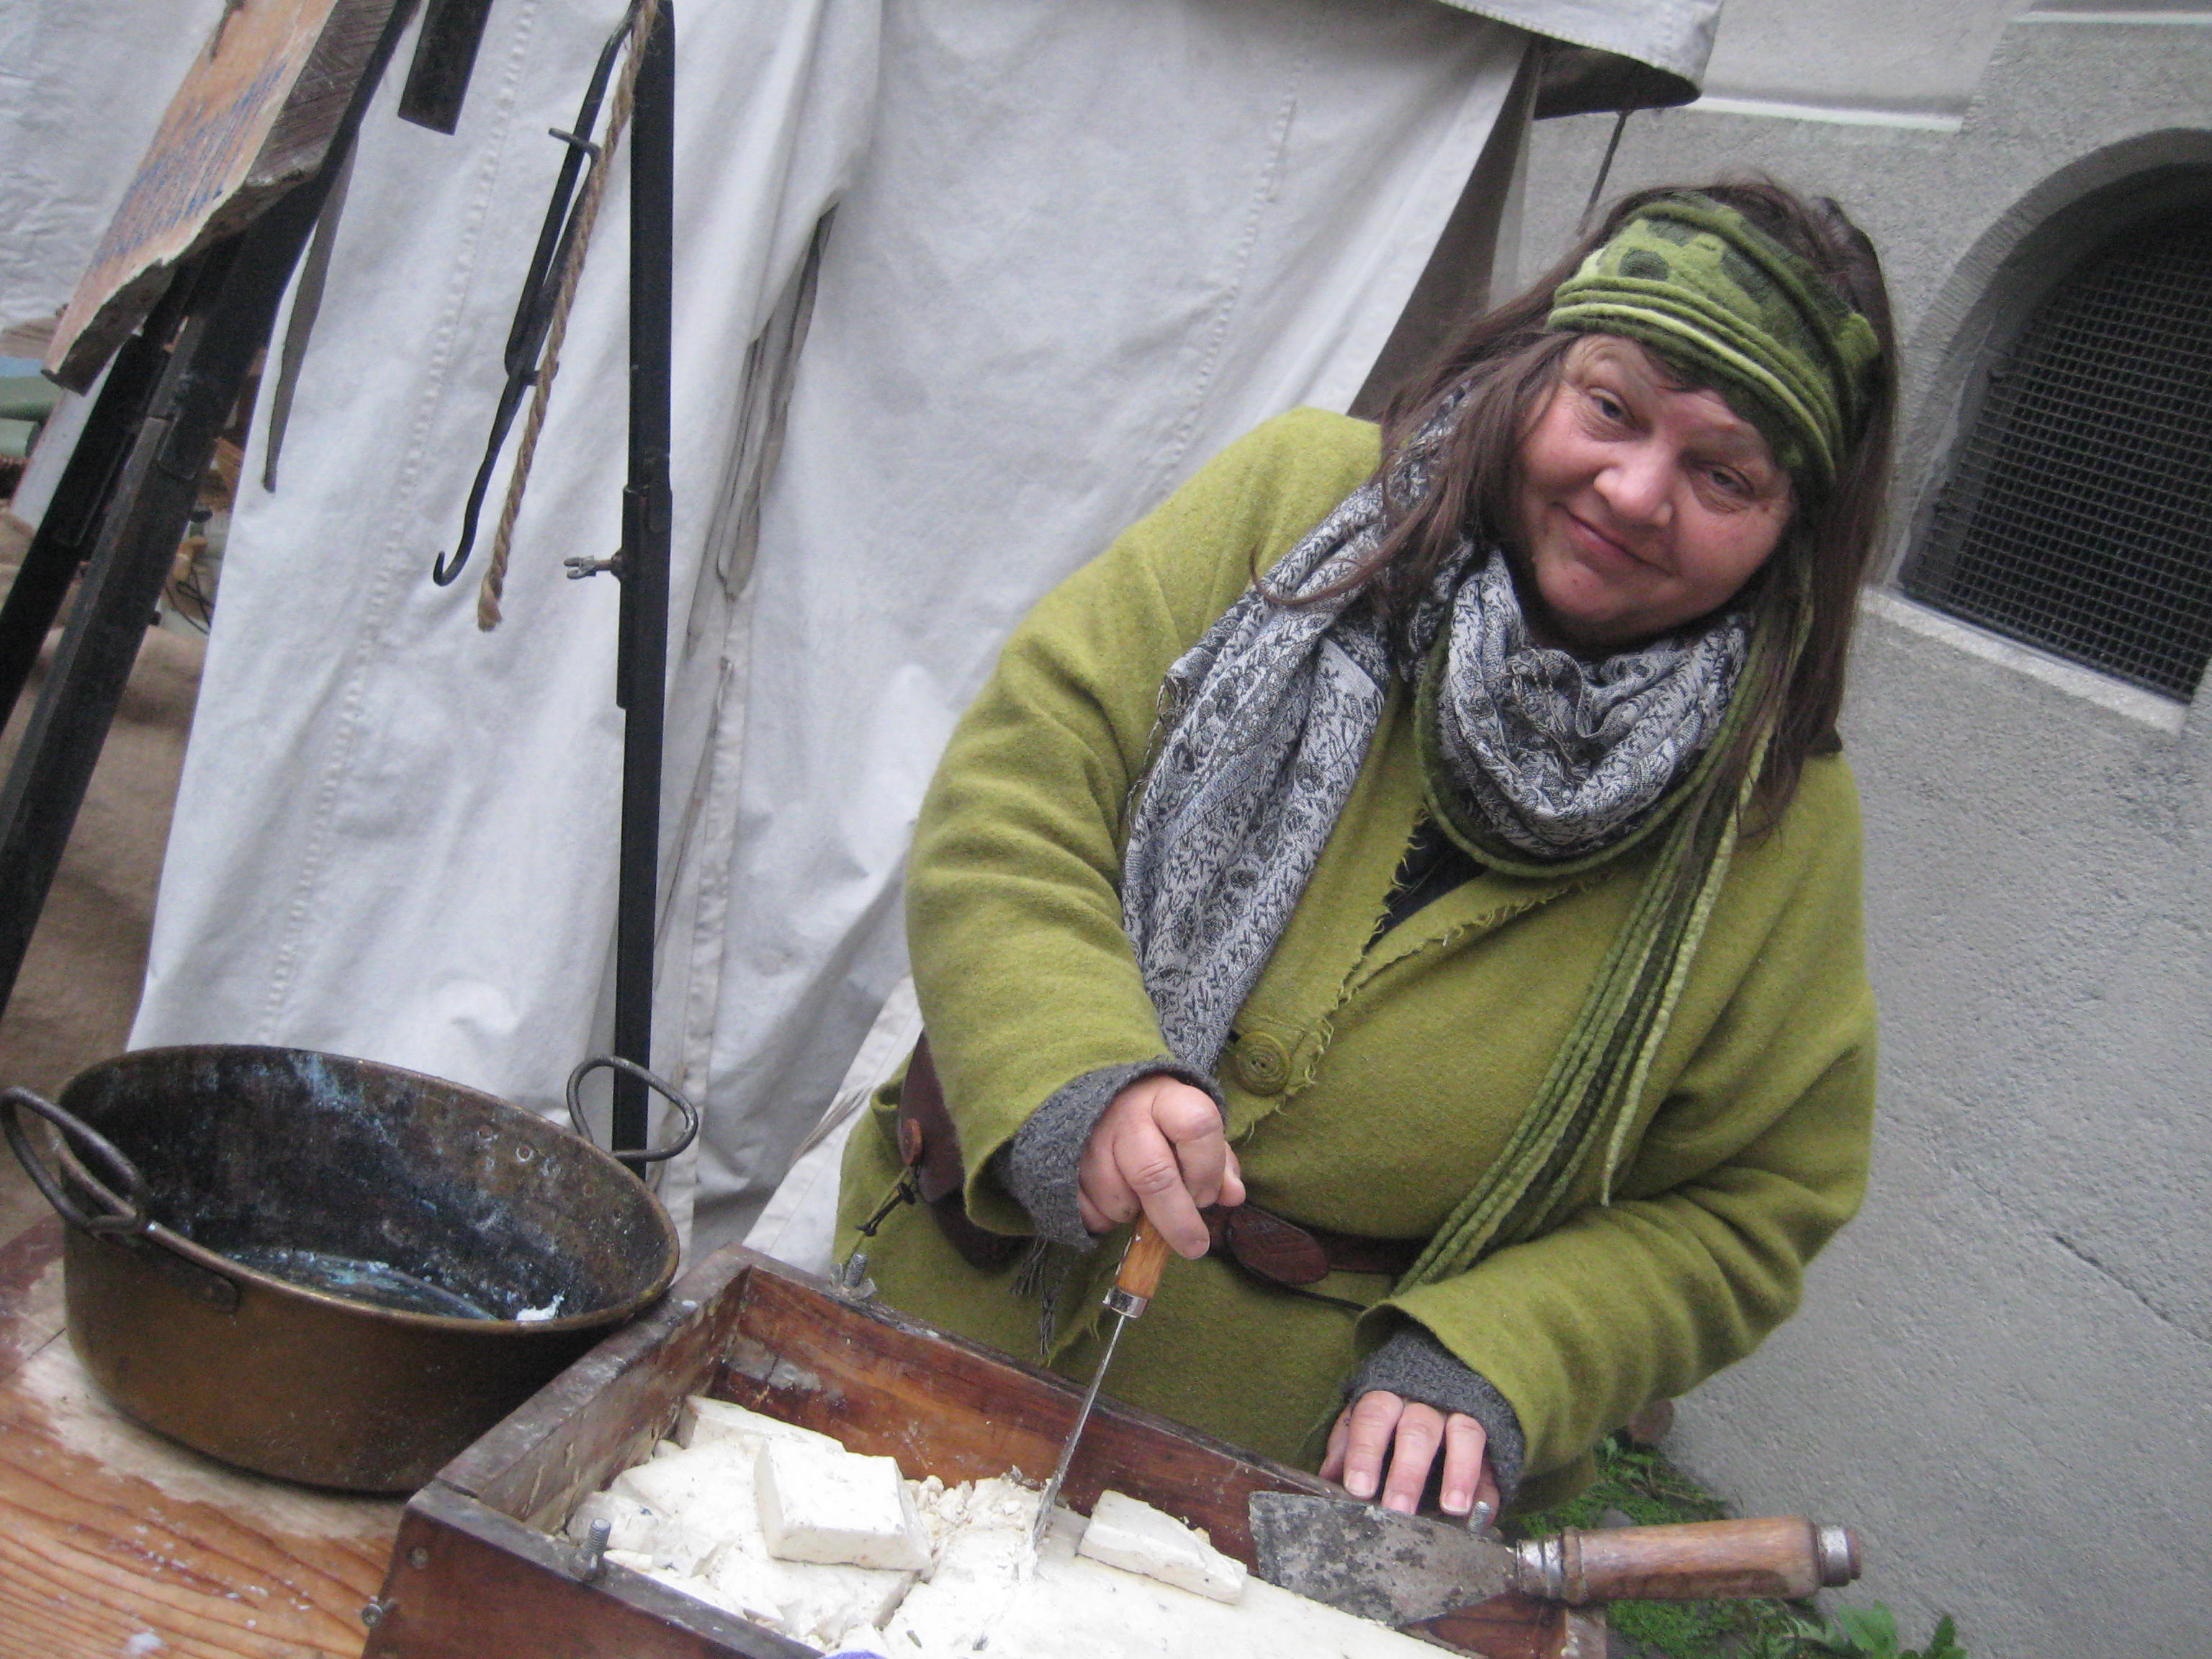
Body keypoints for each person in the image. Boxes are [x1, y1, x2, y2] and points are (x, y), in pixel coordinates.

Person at [837, 177, 1895, 1521]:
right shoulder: (1298, 502)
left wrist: (1504, 1349)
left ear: (1796, 528)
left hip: (1293, 1490)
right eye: (1611, 408)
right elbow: (1021, 783)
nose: (1635, 492)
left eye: (1724, 474)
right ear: (1541, 368)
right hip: (948, 1319)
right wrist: (1071, 1068)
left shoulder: (1774, 819)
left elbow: (1754, 1201)